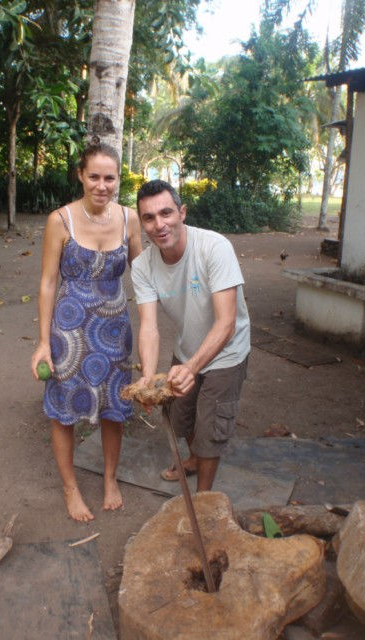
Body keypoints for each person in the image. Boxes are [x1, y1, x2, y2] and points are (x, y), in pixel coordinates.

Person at [31, 140, 142, 522]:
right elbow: (47, 283)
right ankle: (70, 487)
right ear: (80, 175)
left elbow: (144, 280)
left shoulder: (130, 219)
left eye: (109, 177)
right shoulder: (59, 221)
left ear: (118, 180)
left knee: (114, 408)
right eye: (93, 176)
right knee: (64, 411)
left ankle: (110, 479)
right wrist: (43, 343)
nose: (101, 185)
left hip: (114, 332)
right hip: (69, 333)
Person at [131, 179, 250, 492]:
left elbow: (226, 323)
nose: (159, 224)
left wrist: (192, 368)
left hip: (227, 351)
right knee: (179, 416)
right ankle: (195, 459)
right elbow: (149, 326)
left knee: (210, 426)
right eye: (149, 217)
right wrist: (147, 378)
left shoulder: (214, 247)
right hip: (186, 349)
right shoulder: (142, 266)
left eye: (166, 213)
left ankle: (203, 497)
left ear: (182, 212)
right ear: (142, 223)